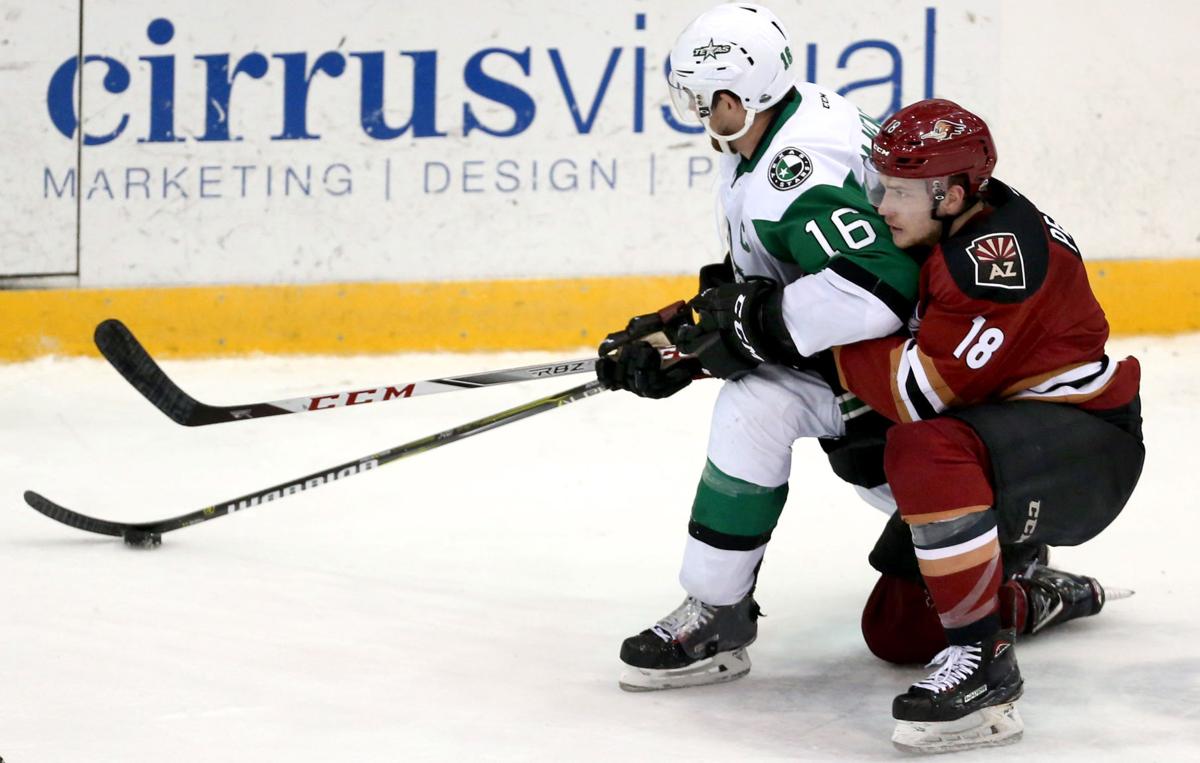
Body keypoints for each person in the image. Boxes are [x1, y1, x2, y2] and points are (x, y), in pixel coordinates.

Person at [597, 2, 924, 691]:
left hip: (909, 361)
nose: (690, 109)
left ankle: (1002, 543)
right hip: (861, 350)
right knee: (754, 407)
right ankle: (718, 609)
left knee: (905, 490)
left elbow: (878, 288)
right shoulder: (781, 126)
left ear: (734, 97)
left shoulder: (796, 173)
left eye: (695, 96)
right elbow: (774, 276)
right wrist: (685, 335)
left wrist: (749, 328)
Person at [829, 99, 1145, 752]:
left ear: (948, 194)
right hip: (1008, 439)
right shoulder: (953, 221)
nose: (882, 205)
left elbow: (916, 395)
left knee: (921, 443)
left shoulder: (996, 259)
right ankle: (1033, 591)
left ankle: (985, 668)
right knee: (895, 630)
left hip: (1085, 445)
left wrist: (804, 337)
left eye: (896, 190)